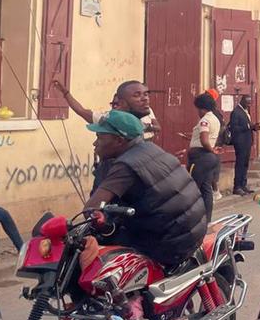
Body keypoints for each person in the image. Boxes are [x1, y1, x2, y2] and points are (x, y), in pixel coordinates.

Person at [84, 110, 207, 267]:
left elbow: (91, 208)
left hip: (168, 244)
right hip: (191, 232)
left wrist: (90, 217)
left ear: (119, 140)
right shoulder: (150, 149)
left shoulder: (125, 166)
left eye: (100, 137)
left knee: (98, 262)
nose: (95, 143)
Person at [183, 93, 221, 225]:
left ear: (201, 108)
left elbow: (204, 140)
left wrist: (211, 149)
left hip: (200, 157)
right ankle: (207, 220)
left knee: (193, 188)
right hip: (209, 158)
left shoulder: (204, 120)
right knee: (206, 189)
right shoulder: (215, 119)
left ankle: (192, 220)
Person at [228, 95, 260, 196]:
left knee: (245, 164)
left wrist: (253, 127)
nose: (249, 104)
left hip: (247, 142)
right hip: (240, 142)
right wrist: (248, 126)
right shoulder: (236, 112)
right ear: (242, 101)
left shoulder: (245, 111)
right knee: (240, 164)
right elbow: (234, 128)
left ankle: (243, 185)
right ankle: (237, 187)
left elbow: (247, 126)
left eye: (250, 102)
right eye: (247, 102)